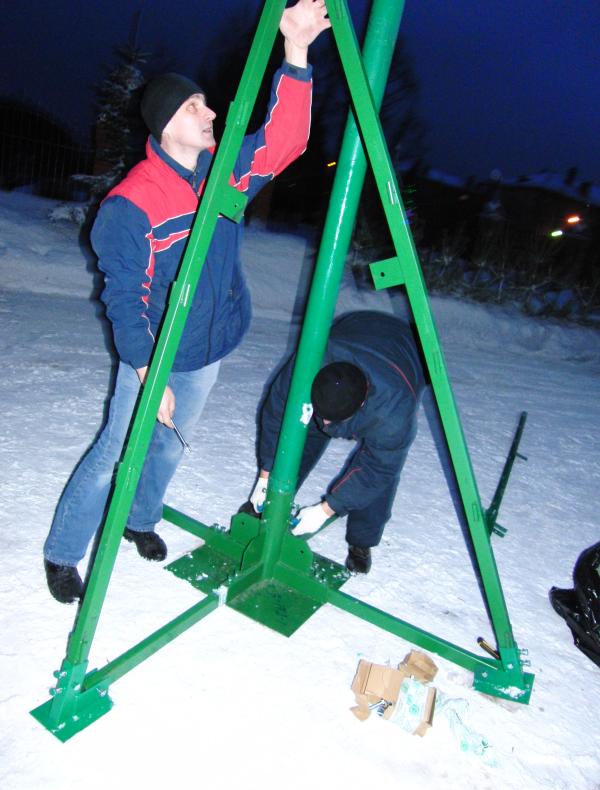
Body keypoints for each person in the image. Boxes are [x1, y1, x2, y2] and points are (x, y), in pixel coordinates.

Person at [43, 0, 331, 604]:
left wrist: (297, 50)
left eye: (206, 102)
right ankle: (64, 551)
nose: (211, 111)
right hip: (154, 348)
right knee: (117, 449)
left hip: (208, 344)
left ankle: (139, 519)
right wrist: (150, 372)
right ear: (164, 124)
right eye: (194, 105)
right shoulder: (131, 204)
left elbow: (286, 140)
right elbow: (124, 300)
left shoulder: (223, 173)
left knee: (170, 443)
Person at [246, 311, 426, 574]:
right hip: (358, 326)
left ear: (361, 406)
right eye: (323, 416)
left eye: (333, 420)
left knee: (377, 477)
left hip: (406, 353)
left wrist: (326, 510)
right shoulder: (307, 365)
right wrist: (267, 476)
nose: (326, 424)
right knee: (302, 434)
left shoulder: (393, 411)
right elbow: (277, 417)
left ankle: (361, 542)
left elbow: (378, 470)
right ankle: (272, 506)